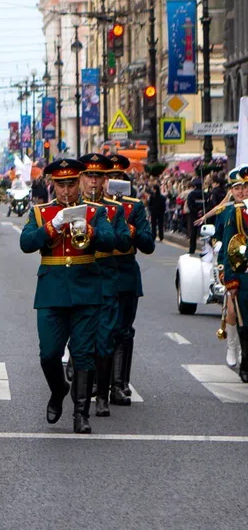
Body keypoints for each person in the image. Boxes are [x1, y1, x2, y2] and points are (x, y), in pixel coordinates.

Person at [19, 158, 114, 434]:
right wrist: (52, 226)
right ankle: (58, 388)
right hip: (52, 291)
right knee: (49, 354)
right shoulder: (40, 213)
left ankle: (81, 414)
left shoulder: (95, 212)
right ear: (53, 185)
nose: (66, 191)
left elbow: (112, 241)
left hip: (86, 289)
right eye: (61, 185)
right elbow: (26, 243)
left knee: (84, 354)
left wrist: (92, 231)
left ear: (80, 182)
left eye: (71, 184)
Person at [76, 153, 131, 417]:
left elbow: (122, 241)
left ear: (105, 180)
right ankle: (83, 389)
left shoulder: (114, 209)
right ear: (81, 178)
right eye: (89, 176)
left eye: (99, 177)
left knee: (105, 339)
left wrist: (118, 232)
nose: (94, 182)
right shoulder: (73, 208)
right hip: (79, 277)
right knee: (82, 339)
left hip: (106, 279)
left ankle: (103, 396)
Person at [106, 154, 156, 403]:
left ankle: (118, 383)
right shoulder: (93, 204)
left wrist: (132, 230)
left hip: (125, 271)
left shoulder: (134, 206)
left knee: (123, 331)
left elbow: (148, 245)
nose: (113, 182)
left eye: (118, 178)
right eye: (109, 178)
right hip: (99, 270)